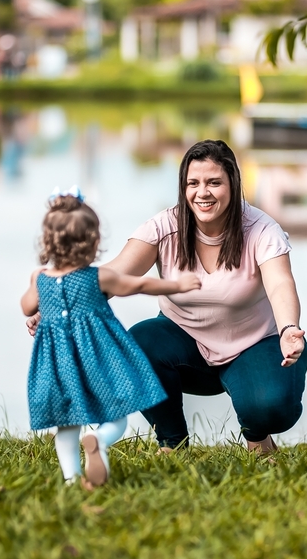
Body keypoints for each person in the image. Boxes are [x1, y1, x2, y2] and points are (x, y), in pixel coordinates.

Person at [31, 140, 307, 454]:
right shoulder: (164, 226)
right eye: (193, 183)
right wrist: (58, 305)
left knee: (271, 407)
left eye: (214, 182)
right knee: (136, 344)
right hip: (184, 344)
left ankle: (258, 440)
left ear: (233, 183)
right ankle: (172, 443)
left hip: (254, 345)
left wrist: (288, 330)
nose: (202, 192)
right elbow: (113, 276)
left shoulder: (261, 229)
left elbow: (280, 284)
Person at [21, 188, 201, 488]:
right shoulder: (98, 277)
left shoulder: (40, 279)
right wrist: (178, 285)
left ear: (48, 242)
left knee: (66, 425)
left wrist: (36, 287)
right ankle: (100, 440)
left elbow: (27, 306)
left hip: (57, 365)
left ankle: (70, 480)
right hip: (96, 359)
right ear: (93, 242)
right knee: (115, 416)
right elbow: (140, 284)